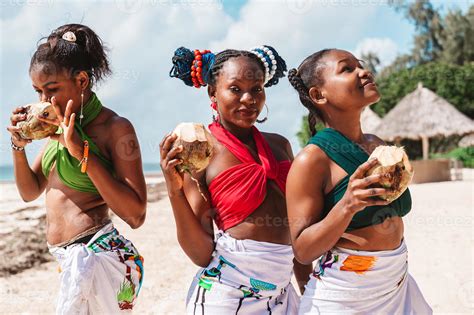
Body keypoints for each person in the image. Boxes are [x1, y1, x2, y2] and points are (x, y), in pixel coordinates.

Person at [160, 45, 311, 314]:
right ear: (212, 93)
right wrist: (174, 192)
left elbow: (296, 230)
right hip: (227, 294)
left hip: (282, 295)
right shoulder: (200, 151)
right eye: (235, 88)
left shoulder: (281, 146)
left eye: (256, 88)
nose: (248, 98)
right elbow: (201, 254)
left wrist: (308, 292)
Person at [7, 24, 146, 313]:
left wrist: (79, 150)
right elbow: (30, 191)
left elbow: (135, 214)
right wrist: (18, 146)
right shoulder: (60, 127)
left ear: (82, 80)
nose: (44, 101)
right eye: (37, 91)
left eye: (52, 90)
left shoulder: (115, 128)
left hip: (97, 255)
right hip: (69, 259)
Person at [286, 49, 432, 314]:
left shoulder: (377, 145)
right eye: (347, 69)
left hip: (396, 281)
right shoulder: (312, 160)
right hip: (347, 293)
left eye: (360, 66)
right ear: (318, 95)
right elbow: (302, 250)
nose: (364, 72)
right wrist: (347, 205)